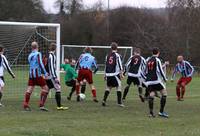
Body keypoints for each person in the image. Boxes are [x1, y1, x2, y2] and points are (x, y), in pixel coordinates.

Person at [23, 42, 49, 111]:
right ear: (37, 46)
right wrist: (45, 73)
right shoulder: (38, 54)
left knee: (29, 89)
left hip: (31, 75)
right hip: (37, 74)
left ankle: (25, 104)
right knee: (46, 89)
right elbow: (40, 63)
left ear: (32, 47)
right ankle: (41, 105)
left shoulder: (30, 55)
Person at [145, 47, 168, 118]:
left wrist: (146, 79)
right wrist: (165, 79)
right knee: (164, 94)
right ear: (158, 52)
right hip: (156, 80)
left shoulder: (148, 60)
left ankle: (151, 113)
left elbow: (145, 71)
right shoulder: (157, 60)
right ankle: (161, 112)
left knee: (151, 95)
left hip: (149, 81)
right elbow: (160, 70)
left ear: (152, 52)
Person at [45, 43, 68, 110]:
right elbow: (51, 67)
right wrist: (55, 77)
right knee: (58, 88)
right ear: (55, 49)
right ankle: (59, 106)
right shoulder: (52, 56)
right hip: (51, 76)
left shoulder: (47, 55)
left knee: (46, 89)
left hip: (46, 75)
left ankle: (41, 104)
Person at [102, 42, 124, 107]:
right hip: (115, 74)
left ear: (111, 48)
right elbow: (120, 65)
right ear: (117, 48)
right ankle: (119, 103)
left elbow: (106, 66)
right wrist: (121, 73)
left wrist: (105, 74)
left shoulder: (107, 56)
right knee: (119, 87)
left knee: (109, 87)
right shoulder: (117, 55)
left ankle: (104, 100)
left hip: (108, 74)